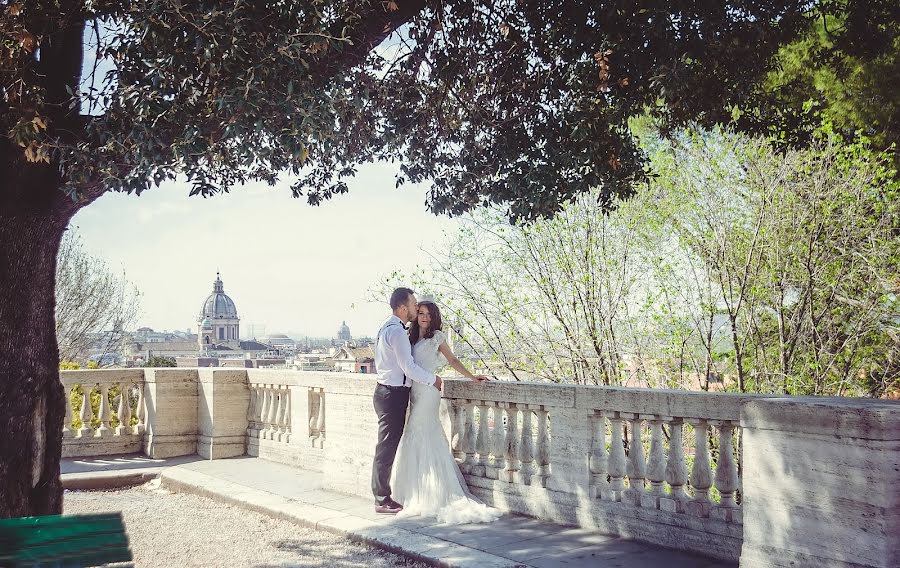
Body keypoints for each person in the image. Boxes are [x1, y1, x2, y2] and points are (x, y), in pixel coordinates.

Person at [390, 298, 501, 524]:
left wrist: (471, 376)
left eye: (429, 315)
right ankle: (415, 491)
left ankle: (434, 493)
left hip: (430, 392)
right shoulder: (409, 337)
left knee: (422, 432)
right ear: (416, 314)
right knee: (414, 435)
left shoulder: (437, 338)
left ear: (434, 318)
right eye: (421, 313)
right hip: (415, 392)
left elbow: (452, 360)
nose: (425, 318)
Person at [372, 287, 441, 514]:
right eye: (413, 305)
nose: (415, 309)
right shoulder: (398, 332)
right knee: (387, 447)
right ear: (403, 307)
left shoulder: (385, 327)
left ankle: (383, 496)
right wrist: (433, 380)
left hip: (385, 392)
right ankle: (382, 499)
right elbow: (408, 367)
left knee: (387, 445)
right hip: (392, 394)